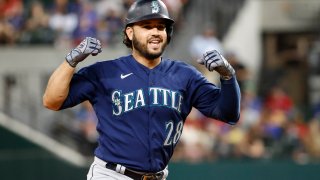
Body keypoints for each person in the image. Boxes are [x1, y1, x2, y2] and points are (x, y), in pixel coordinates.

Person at [42, 0, 240, 179]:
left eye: (161, 27)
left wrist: (228, 76)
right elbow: (51, 101)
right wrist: (71, 61)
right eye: (147, 26)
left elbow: (228, 113)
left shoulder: (185, 75)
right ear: (130, 32)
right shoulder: (106, 72)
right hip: (112, 175)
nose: (155, 32)